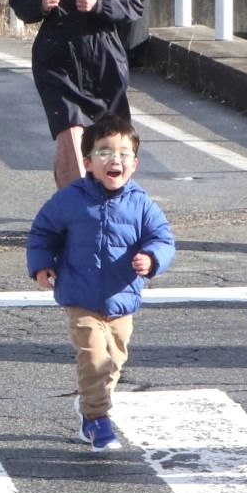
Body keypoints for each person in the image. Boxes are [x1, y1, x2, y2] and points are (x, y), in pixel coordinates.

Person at [26, 114, 176, 452]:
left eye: (123, 153)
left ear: (134, 164)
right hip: (79, 297)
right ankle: (97, 418)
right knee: (94, 358)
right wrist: (41, 265)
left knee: (114, 361)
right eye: (105, 152)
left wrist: (152, 258)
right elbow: (43, 231)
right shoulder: (71, 198)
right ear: (89, 162)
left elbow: (163, 239)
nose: (115, 160)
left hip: (121, 299)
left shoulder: (141, 203)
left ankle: (88, 404)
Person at [8, 0, 143, 188]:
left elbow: (134, 6)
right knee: (70, 134)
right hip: (57, 61)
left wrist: (101, 5)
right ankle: (72, 206)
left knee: (109, 138)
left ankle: (110, 200)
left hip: (104, 61)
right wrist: (40, 4)